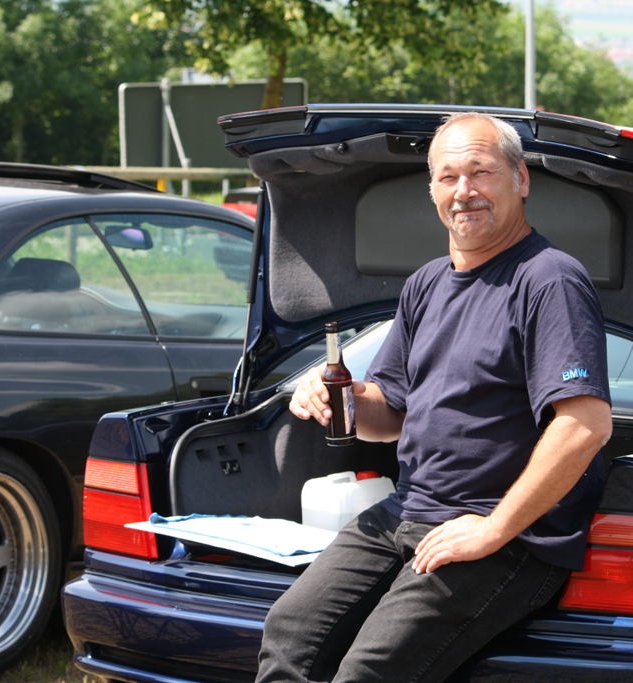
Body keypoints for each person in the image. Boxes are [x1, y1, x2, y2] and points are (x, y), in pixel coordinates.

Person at [256, 112, 613, 683]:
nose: (464, 190)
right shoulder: (425, 284)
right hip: (408, 510)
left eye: (480, 172)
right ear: (432, 191)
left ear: (521, 179)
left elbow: (584, 425)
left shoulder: (549, 280)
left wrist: (493, 528)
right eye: (448, 177)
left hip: (506, 537)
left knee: (368, 673)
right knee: (289, 633)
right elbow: (390, 413)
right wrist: (338, 398)